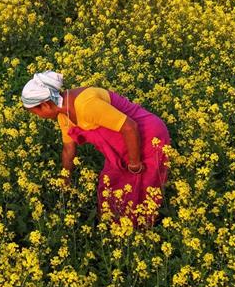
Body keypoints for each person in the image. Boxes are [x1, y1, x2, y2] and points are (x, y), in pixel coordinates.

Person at [21, 70, 171, 229]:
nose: (38, 117)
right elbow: (68, 149)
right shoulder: (64, 115)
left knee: (143, 187)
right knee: (112, 185)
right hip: (122, 145)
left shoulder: (85, 106)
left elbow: (130, 127)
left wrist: (135, 164)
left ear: (45, 105)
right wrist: (66, 177)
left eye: (36, 112)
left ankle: (142, 232)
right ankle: (114, 230)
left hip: (148, 138)